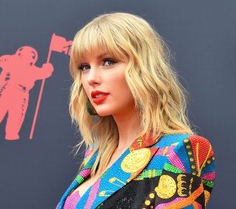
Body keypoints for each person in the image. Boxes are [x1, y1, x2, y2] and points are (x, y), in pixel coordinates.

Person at [57, 12, 216, 209]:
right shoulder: (96, 155)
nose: (91, 78)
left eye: (108, 62)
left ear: (143, 68)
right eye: (84, 67)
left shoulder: (180, 151)